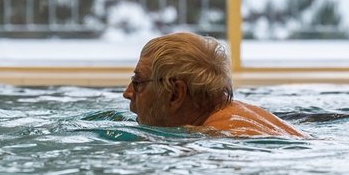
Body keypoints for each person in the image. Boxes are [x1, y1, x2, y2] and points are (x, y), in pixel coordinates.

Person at [123, 32, 305, 137]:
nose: (128, 92)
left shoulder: (225, 137)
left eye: (138, 82)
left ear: (176, 94)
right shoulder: (244, 117)